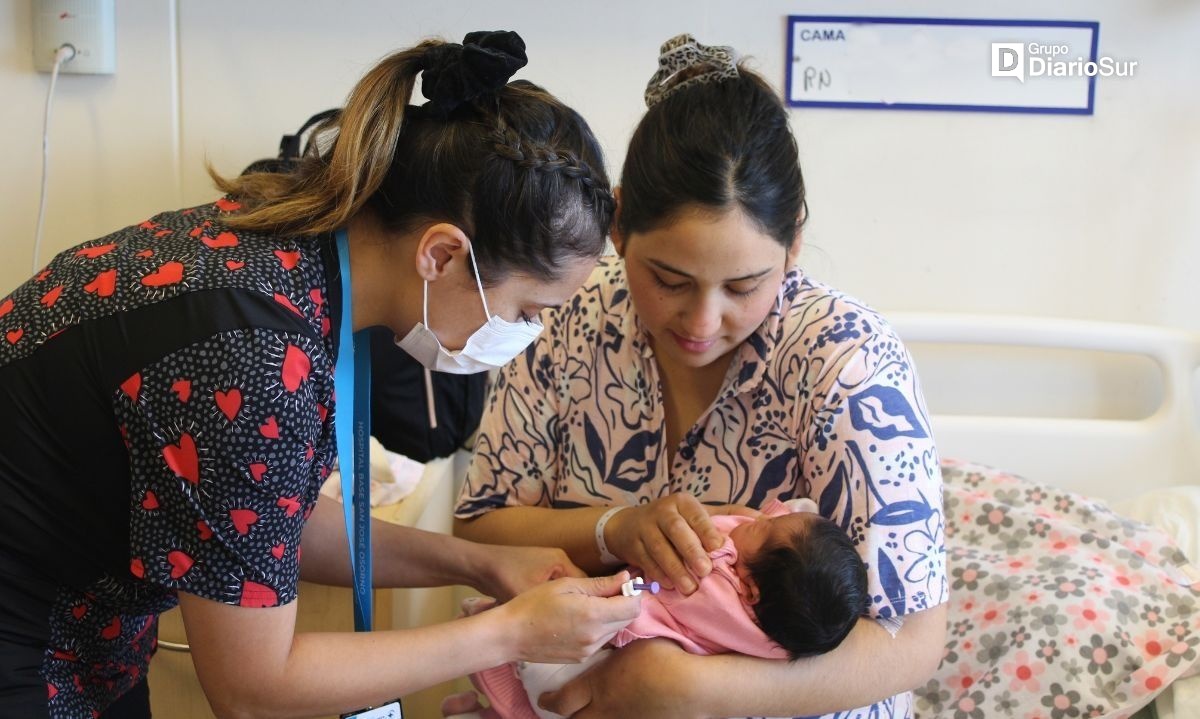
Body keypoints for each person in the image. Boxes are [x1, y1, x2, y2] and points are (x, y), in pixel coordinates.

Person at [0, 31, 643, 719]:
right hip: (31, 626)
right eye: (525, 310)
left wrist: (480, 564)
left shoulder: (296, 258)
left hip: (84, 629)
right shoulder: (253, 351)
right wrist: (507, 632)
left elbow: (267, 520)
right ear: (442, 255)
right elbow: (253, 689)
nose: (524, 334)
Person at [454, 34, 949, 718]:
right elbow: (481, 526)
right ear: (620, 223)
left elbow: (913, 638)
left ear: (794, 242)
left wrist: (683, 688)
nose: (703, 321)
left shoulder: (847, 364)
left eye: (745, 285)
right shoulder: (565, 316)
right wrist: (612, 529)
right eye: (669, 279)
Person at [454, 498, 870, 719]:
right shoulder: (784, 635)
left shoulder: (717, 585)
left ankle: (488, 690)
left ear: (751, 587)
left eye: (762, 529)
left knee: (542, 665)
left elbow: (656, 600)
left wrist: (618, 597)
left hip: (614, 648)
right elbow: (796, 527)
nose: (756, 518)